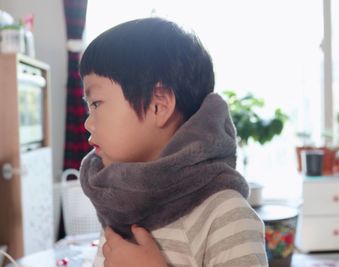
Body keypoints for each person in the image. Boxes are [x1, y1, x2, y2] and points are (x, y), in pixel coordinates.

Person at [78, 17, 268, 267]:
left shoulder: (225, 214)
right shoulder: (121, 205)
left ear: (159, 105)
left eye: (96, 104)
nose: (88, 123)